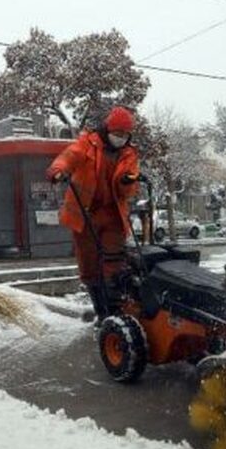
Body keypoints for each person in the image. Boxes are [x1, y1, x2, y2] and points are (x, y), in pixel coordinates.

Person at [46, 106, 141, 323]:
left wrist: (127, 182)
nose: (120, 138)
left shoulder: (129, 153)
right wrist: (58, 170)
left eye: (125, 135)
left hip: (112, 215)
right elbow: (69, 156)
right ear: (107, 130)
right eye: (117, 134)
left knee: (114, 262)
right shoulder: (88, 143)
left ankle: (115, 311)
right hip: (85, 213)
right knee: (89, 264)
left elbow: (130, 184)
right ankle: (101, 310)